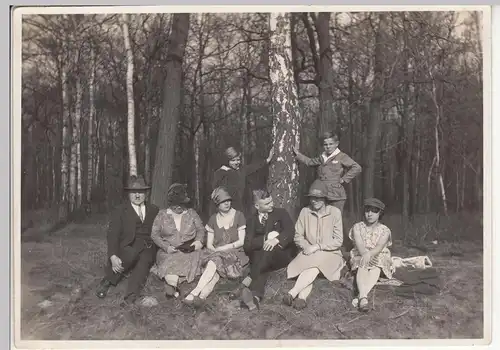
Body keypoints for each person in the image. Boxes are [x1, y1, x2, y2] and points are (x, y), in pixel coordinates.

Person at [95, 175, 160, 306]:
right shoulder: (120, 211)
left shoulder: (154, 210)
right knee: (131, 253)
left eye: (140, 192)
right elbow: (113, 234)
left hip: (148, 247)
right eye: (134, 192)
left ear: (146, 193)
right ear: (129, 194)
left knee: (144, 263)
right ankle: (108, 281)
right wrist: (113, 256)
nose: (137, 196)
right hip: (128, 246)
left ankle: (130, 297)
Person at [283, 180, 345, 310]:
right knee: (312, 267)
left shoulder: (335, 212)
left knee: (314, 265)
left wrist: (317, 247)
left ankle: (292, 293)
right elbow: (298, 235)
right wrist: (306, 246)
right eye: (312, 198)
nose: (314, 201)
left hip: (331, 253)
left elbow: (338, 240)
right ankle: (301, 299)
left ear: (325, 199)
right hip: (309, 251)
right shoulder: (305, 212)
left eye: (318, 198)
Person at [183, 187, 249, 306]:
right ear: (217, 204)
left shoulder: (239, 215)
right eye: (223, 202)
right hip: (217, 254)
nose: (227, 203)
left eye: (228, 200)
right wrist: (217, 252)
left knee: (214, 264)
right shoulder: (213, 219)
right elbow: (209, 244)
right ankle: (202, 297)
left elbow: (241, 242)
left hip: (235, 253)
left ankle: (195, 292)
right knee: (214, 273)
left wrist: (222, 250)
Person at [237, 189, 298, 311]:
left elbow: (290, 231)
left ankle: (247, 282)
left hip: (281, 256)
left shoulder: (281, 213)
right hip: (263, 259)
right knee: (263, 256)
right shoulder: (251, 220)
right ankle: (255, 298)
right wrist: (265, 239)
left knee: (266, 252)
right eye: (267, 203)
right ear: (257, 206)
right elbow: (247, 245)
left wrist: (277, 240)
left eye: (271, 201)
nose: (272, 204)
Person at [150, 183, 206, 299]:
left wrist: (198, 242)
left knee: (191, 258)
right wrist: (166, 247)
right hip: (169, 250)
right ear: (170, 203)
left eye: (182, 204)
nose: (179, 207)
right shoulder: (162, 215)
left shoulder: (191, 213)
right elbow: (154, 235)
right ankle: (172, 286)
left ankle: (173, 286)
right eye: (176, 204)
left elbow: (201, 230)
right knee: (169, 259)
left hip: (189, 250)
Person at [348, 198, 393, 312]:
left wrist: (370, 255)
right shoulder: (357, 227)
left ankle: (360, 297)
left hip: (378, 254)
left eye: (374, 211)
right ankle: (363, 298)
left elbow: (379, 247)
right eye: (367, 210)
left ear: (380, 213)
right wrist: (365, 255)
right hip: (360, 252)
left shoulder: (385, 230)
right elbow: (359, 244)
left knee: (377, 265)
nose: (370, 214)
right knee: (362, 262)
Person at [211, 146, 274, 216]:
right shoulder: (221, 172)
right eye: (233, 160)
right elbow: (215, 189)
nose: (236, 162)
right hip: (226, 207)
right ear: (227, 160)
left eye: (238, 160)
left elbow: (253, 167)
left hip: (239, 207)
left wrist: (267, 160)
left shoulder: (241, 170)